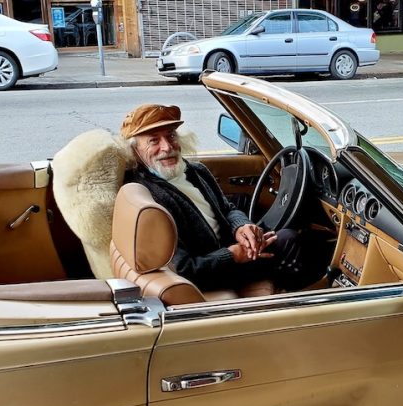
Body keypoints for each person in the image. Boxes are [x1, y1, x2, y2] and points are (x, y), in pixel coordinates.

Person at [120, 103, 316, 294]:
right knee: (292, 240)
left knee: (290, 237)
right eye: (154, 141)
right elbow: (184, 268)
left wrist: (241, 226)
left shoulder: (195, 171)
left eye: (171, 136)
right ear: (135, 151)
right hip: (211, 270)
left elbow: (228, 208)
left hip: (229, 248)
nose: (167, 147)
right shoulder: (150, 198)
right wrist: (232, 256)